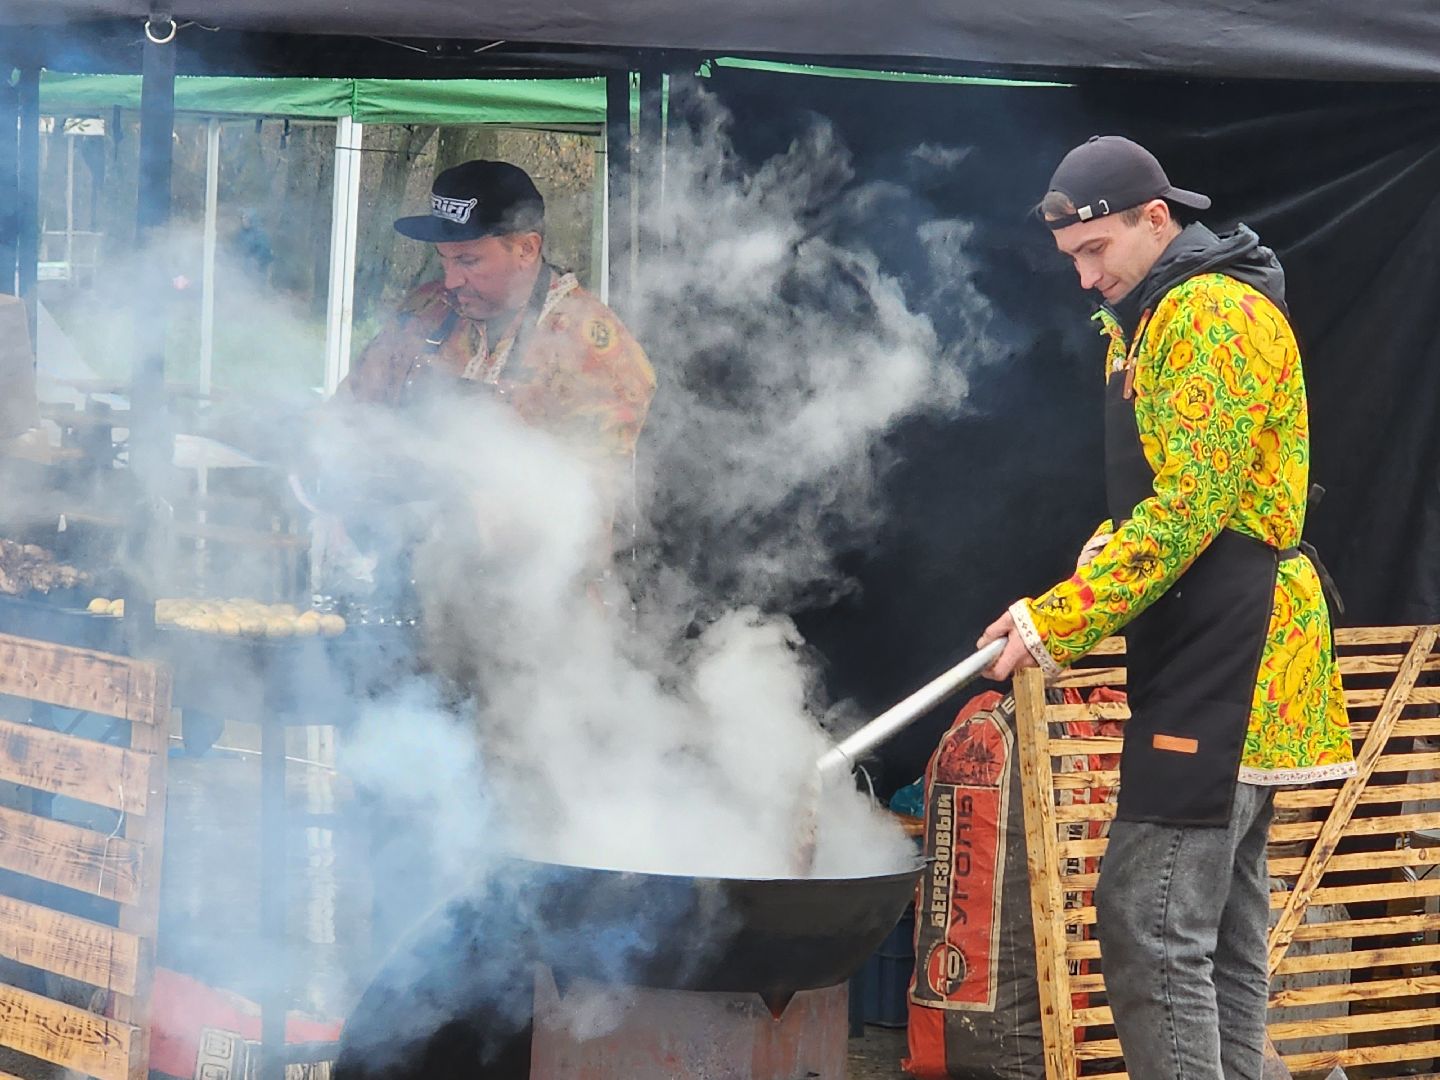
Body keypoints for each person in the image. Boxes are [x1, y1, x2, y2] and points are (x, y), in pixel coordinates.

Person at [976, 136, 1354, 1079]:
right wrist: (1118, 544)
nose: (1085, 277)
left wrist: (1052, 619)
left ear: (1158, 219)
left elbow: (1192, 508)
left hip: (1238, 652)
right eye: (1072, 261)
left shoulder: (1208, 312)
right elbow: (1199, 491)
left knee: (1149, 925)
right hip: (1219, 639)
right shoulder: (1146, 318)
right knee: (1219, 942)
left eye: (1097, 251)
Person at [337, 159, 655, 526]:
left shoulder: (590, 344)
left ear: (526, 249)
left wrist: (467, 516)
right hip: (400, 563)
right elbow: (349, 414)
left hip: (530, 575)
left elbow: (591, 501)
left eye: (468, 260)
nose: (451, 280)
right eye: (444, 259)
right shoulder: (425, 310)